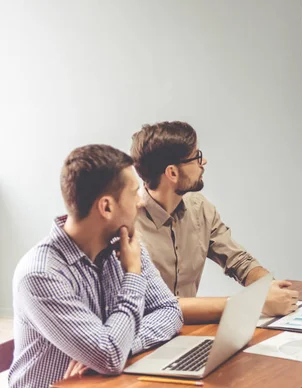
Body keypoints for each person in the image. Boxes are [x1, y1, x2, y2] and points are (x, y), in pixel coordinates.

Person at [9, 145, 183, 388]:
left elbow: (170, 310)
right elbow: (110, 356)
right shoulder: (40, 275)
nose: (141, 202)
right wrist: (132, 275)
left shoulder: (124, 244)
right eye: (134, 193)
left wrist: (123, 344)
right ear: (107, 207)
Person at [130, 121, 298, 323]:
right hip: (147, 340)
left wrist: (268, 288)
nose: (204, 162)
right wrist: (253, 302)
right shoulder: (128, 229)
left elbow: (239, 261)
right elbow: (161, 305)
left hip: (187, 333)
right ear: (172, 173)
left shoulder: (199, 208)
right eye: (196, 157)